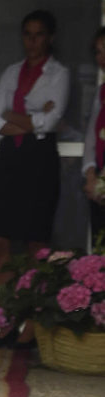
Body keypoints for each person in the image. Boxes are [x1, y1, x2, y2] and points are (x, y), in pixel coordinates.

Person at [0, 9, 70, 337]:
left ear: (49, 38)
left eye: (38, 34)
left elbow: (50, 123)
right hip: (9, 158)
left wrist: (14, 114)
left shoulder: (59, 74)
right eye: (27, 34)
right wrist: (32, 118)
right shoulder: (11, 71)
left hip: (39, 162)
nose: (31, 41)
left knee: (36, 243)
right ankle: (7, 322)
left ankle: (32, 326)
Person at [81, 25, 105, 245]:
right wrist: (91, 174)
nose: (102, 57)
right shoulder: (101, 91)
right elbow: (91, 135)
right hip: (98, 178)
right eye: (98, 52)